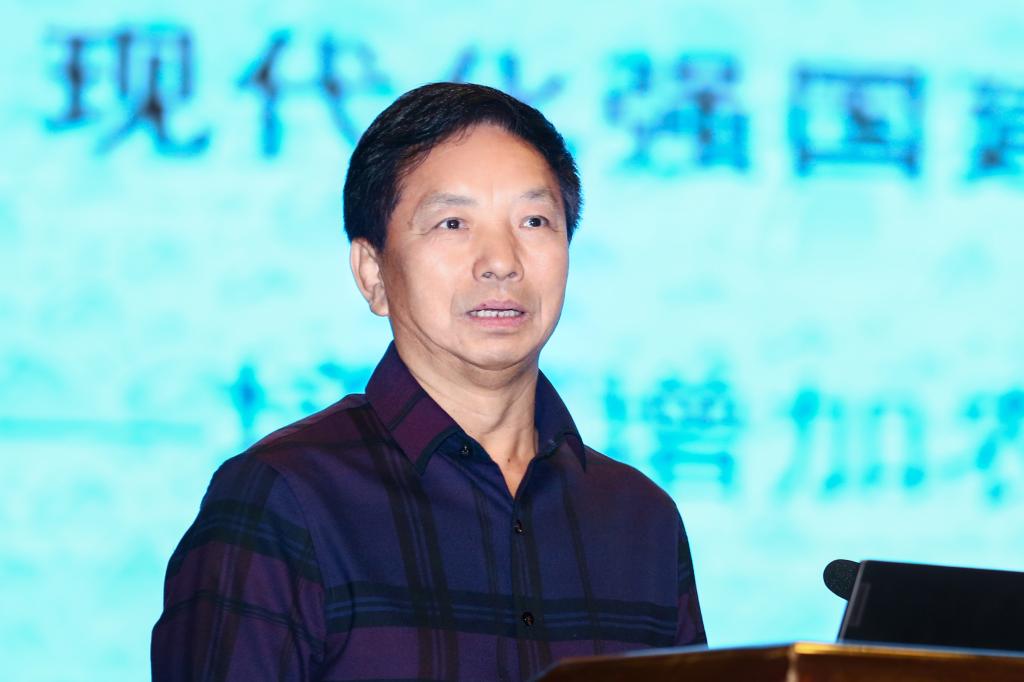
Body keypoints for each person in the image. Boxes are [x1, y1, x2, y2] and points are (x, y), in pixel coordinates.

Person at [152, 82, 706, 682]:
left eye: (534, 220)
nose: (501, 262)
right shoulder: (284, 500)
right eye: (452, 222)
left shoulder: (641, 519)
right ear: (372, 273)